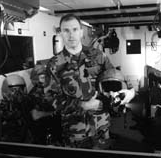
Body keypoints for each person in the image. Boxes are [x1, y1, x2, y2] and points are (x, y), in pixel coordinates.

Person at [45, 13, 135, 149]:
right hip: (74, 131)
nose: (71, 35)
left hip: (101, 126)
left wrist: (130, 91)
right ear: (61, 33)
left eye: (75, 29)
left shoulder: (98, 56)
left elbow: (117, 77)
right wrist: (82, 105)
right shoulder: (54, 64)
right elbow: (51, 98)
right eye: (66, 30)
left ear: (81, 32)